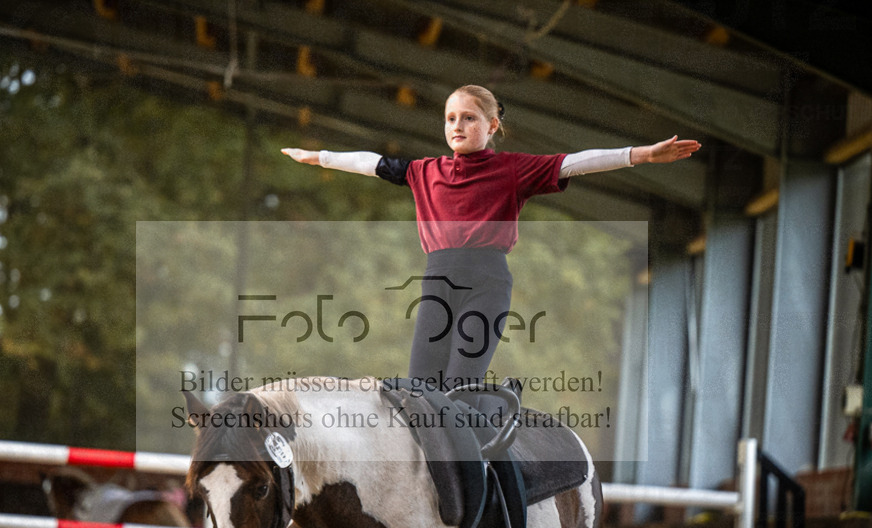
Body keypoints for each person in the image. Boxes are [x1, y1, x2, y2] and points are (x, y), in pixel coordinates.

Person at [282, 84, 700, 391]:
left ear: (492, 125)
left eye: (469, 118)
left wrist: (641, 154)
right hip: (436, 283)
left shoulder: (514, 170)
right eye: (450, 118)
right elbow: (370, 162)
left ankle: (496, 429)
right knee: (419, 390)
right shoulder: (423, 171)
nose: (457, 125)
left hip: (486, 283)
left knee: (460, 389)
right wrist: (319, 157)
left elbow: (576, 163)